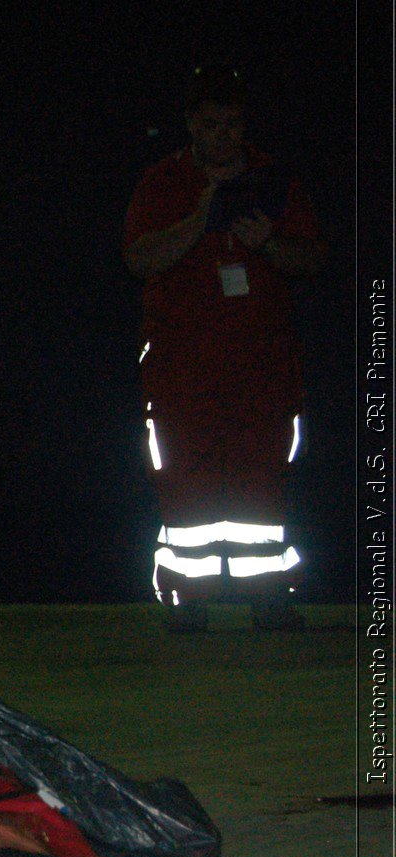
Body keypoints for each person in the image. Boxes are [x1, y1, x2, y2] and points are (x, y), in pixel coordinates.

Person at [122, 67, 326, 631]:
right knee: (184, 476)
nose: (223, 135)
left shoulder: (274, 179)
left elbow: (312, 260)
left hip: (263, 364)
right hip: (180, 369)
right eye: (211, 124)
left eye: (233, 124)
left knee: (262, 475)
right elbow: (137, 260)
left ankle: (269, 598)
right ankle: (188, 600)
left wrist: (268, 243)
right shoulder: (162, 183)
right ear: (190, 126)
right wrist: (199, 219)